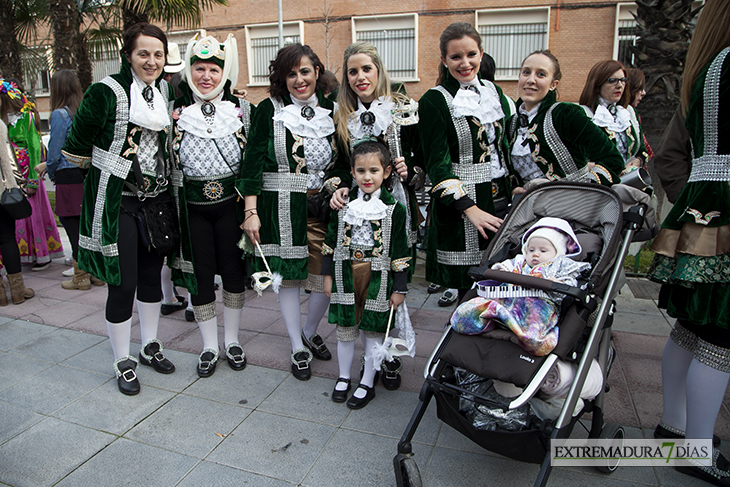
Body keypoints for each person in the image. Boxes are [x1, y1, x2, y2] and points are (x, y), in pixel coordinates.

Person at [62, 23, 177, 396]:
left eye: (158, 54)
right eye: (144, 53)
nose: (152, 61)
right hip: (118, 204)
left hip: (157, 202)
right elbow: (77, 145)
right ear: (128, 54)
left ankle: (149, 346)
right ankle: (121, 360)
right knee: (122, 283)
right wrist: (110, 170)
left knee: (150, 278)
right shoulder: (104, 91)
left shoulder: (164, 91)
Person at [647, 0, 730, 483]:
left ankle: (674, 426)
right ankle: (696, 450)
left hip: (700, 207)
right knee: (719, 335)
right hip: (725, 206)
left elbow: (680, 155)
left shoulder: (706, 68)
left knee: (690, 328)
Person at [242, 43, 350, 380]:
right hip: (280, 209)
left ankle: (309, 328)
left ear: (317, 72)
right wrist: (251, 211)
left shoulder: (335, 109)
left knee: (324, 282)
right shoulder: (267, 110)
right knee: (288, 280)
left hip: (324, 208)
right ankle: (297, 346)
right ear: (282, 78)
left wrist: (339, 185)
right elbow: (252, 163)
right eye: (291, 73)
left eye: (305, 71)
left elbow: (347, 163)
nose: (299, 79)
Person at [329, 41, 422, 389]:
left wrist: (408, 168)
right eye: (352, 71)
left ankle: (388, 356)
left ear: (379, 70)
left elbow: (421, 160)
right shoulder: (341, 114)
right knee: (368, 284)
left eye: (366, 69)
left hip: (394, 205)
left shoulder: (402, 107)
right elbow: (338, 166)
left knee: (392, 279)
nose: (360, 77)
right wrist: (337, 186)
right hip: (358, 210)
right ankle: (372, 355)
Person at [170, 34, 253, 377]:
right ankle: (208, 346)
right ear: (189, 72)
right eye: (199, 68)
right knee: (201, 278)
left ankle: (232, 340)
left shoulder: (243, 110)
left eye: (213, 70)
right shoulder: (172, 112)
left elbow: (253, 164)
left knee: (233, 276)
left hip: (229, 208)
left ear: (224, 72)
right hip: (192, 211)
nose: (206, 76)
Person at [419, 22, 513, 304]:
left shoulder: (495, 94)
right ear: (444, 60)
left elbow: (504, 149)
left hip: (502, 200)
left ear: (481, 54)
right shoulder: (434, 101)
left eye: (471, 54)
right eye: (456, 57)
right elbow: (437, 166)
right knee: (468, 297)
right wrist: (469, 209)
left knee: (502, 287)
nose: (465, 63)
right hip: (462, 211)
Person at [322, 137, 411, 408]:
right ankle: (343, 377)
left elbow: (399, 251)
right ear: (352, 173)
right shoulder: (343, 206)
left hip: (379, 279)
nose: (367, 177)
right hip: (345, 275)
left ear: (386, 172)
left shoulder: (395, 209)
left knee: (373, 332)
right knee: (346, 330)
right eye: (361, 171)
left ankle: (367, 382)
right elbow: (330, 242)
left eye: (374, 171)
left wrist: (399, 288)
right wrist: (327, 276)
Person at [507, 50, 625, 195]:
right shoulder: (512, 123)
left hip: (571, 207)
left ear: (553, 84)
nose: (531, 80)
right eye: (526, 72)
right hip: (530, 207)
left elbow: (613, 159)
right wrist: (513, 188)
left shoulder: (565, 114)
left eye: (541, 74)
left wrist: (588, 189)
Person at [0, 79, 64, 270]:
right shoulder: (5, 119)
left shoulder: (26, 117)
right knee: (16, 213)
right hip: (12, 174)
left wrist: (33, 180)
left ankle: (41, 255)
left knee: (32, 212)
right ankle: (23, 255)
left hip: (27, 172)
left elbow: (35, 147)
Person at [43, 70, 96, 290]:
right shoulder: (83, 110)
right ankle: (96, 273)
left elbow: (54, 153)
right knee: (87, 226)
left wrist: (51, 171)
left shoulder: (59, 115)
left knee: (72, 227)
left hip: (66, 175)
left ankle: (81, 276)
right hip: (85, 174)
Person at [579, 60, 647, 171]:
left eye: (623, 80)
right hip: (597, 183)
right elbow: (573, 159)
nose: (619, 85)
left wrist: (637, 161)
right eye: (612, 81)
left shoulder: (629, 112)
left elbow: (642, 150)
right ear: (597, 84)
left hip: (628, 182)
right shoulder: (583, 114)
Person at [0, 118, 34, 305]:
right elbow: (8, 161)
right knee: (6, 238)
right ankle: (17, 290)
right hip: (2, 191)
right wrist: (19, 185)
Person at [626, 67, 654, 166]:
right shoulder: (602, 117)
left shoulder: (634, 115)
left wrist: (638, 160)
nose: (643, 93)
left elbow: (644, 151)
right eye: (639, 88)